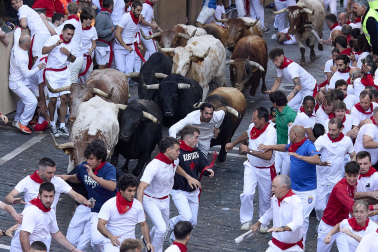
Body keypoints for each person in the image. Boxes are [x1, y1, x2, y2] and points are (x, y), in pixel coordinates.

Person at [258, 125, 329, 245]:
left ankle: (300, 245)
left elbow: (316, 159)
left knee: (302, 219)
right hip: (294, 190)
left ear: (295, 135)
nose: (288, 135)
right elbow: (284, 147)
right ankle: (287, 242)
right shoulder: (293, 145)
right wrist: (269, 146)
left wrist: (299, 156)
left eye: (290, 133)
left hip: (307, 192)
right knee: (293, 217)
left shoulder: (308, 145)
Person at [136, 137, 200, 252]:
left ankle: (147, 240)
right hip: (150, 200)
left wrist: (188, 177)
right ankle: (154, 250)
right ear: (167, 150)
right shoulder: (154, 166)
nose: (179, 153)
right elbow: (141, 187)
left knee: (162, 229)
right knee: (161, 229)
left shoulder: (174, 160)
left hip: (165, 199)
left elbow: (177, 167)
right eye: (177, 150)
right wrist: (140, 208)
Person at [58, 139, 117, 252]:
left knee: (86, 244)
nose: (88, 161)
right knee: (70, 241)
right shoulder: (83, 167)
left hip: (101, 211)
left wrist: (93, 176)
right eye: (87, 158)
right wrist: (68, 177)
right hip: (88, 205)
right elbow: (79, 178)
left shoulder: (109, 169)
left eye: (91, 159)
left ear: (100, 159)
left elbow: (112, 186)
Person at [225, 107, 276, 231]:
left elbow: (268, 156)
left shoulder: (270, 132)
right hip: (251, 166)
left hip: (265, 169)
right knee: (247, 193)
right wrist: (233, 144)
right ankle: (246, 220)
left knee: (265, 198)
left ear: (263, 120)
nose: (252, 120)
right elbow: (246, 134)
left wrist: (249, 151)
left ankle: (264, 221)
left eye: (254, 118)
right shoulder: (253, 127)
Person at [166, 126, 214, 241]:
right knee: (186, 217)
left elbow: (203, 164)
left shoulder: (196, 151)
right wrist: (188, 177)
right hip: (179, 189)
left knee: (192, 221)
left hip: (193, 190)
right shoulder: (177, 152)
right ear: (188, 138)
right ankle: (168, 225)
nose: (198, 140)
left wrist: (208, 170)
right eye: (196, 137)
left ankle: (173, 238)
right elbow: (174, 166)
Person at [10, 182, 82, 252]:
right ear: (39, 195)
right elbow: (23, 235)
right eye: (45, 196)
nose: (48, 200)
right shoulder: (32, 211)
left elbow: (56, 233)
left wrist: (73, 249)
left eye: (51, 196)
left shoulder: (51, 212)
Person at [5, 157, 92, 213]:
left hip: (48, 221)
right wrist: (13, 200)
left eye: (54, 172)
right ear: (40, 172)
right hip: (30, 220)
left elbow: (75, 195)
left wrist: (85, 201)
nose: (53, 175)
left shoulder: (57, 181)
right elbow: (9, 196)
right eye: (49, 173)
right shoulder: (27, 180)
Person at [314, 118, 356, 221]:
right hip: (321, 179)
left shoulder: (347, 141)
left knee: (337, 205)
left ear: (341, 129)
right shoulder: (322, 139)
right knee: (319, 208)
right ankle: (322, 221)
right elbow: (313, 152)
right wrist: (318, 160)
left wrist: (351, 169)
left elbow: (353, 155)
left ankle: (332, 226)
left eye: (333, 130)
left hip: (336, 179)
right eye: (329, 129)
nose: (331, 132)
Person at [97, 174, 153, 252]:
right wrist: (111, 236)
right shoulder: (109, 204)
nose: (133, 194)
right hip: (112, 242)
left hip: (131, 244)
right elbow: (100, 225)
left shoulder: (137, 205)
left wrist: (148, 242)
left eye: (134, 190)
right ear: (121, 190)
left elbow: (143, 225)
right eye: (129, 190)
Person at [250, 175, 304, 251]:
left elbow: (298, 222)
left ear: (284, 187)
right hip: (275, 246)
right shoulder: (275, 198)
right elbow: (271, 212)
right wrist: (258, 224)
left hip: (293, 248)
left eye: (274, 187)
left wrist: (282, 228)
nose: (272, 189)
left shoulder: (295, 201)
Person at [41, 24, 77, 137]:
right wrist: (55, 45)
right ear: (62, 31)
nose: (69, 37)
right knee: (52, 99)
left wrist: (68, 54)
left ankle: (62, 126)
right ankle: (52, 124)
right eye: (68, 34)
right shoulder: (54, 38)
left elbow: (73, 59)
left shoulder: (73, 43)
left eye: (71, 34)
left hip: (64, 72)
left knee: (64, 99)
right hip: (52, 72)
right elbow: (43, 51)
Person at [317, 161, 361, 252]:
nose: (352, 179)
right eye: (349, 176)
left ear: (358, 174)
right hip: (328, 225)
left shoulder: (352, 184)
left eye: (354, 176)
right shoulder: (340, 188)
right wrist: (374, 208)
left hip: (343, 224)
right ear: (345, 173)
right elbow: (352, 206)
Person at [8, 26, 45, 134]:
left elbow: (16, 35)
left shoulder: (16, 46)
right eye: (30, 41)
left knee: (23, 101)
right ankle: (23, 123)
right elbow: (27, 74)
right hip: (17, 84)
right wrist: (38, 67)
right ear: (27, 44)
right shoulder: (22, 59)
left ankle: (16, 120)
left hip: (21, 82)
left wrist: (18, 28)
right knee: (32, 102)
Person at [11, 0, 50, 67]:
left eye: (17, 2)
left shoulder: (22, 9)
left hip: (39, 34)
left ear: (21, 1)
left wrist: (17, 27)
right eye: (13, 4)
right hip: (44, 34)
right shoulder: (26, 8)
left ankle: (39, 77)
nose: (15, 5)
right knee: (42, 58)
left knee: (36, 58)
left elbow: (23, 24)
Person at [268, 91, 296, 175]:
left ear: (275, 103)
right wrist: (269, 122)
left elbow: (300, 130)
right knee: (273, 173)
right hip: (277, 149)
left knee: (284, 176)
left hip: (288, 152)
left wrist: (293, 125)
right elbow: (277, 119)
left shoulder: (291, 114)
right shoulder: (278, 111)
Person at [114, 0, 144, 80]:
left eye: (140, 11)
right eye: (138, 10)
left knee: (129, 72)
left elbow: (132, 33)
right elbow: (117, 34)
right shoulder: (125, 17)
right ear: (132, 8)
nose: (139, 12)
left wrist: (137, 44)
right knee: (121, 70)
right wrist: (125, 46)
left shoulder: (138, 18)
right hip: (120, 48)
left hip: (131, 48)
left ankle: (126, 91)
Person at [94, 0, 115, 69]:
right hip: (101, 46)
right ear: (111, 6)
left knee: (105, 66)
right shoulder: (102, 16)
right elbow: (98, 32)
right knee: (101, 67)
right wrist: (110, 31)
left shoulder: (106, 14)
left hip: (105, 46)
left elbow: (108, 26)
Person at [79, 9, 98, 83]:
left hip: (88, 57)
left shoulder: (93, 29)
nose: (91, 21)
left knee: (88, 77)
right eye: (90, 19)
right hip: (78, 57)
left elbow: (94, 43)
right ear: (84, 20)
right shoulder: (77, 29)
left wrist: (92, 49)